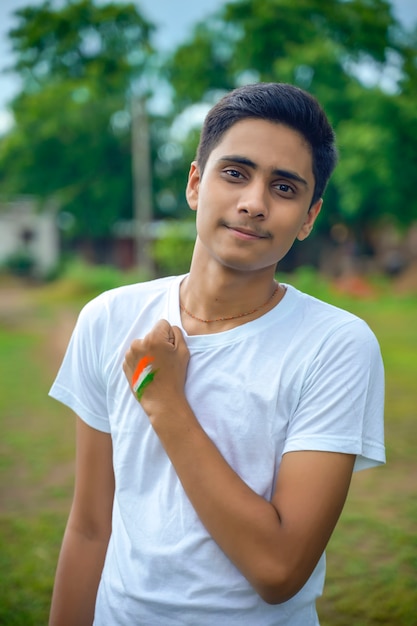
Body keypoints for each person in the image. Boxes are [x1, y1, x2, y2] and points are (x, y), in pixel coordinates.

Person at [48, 82, 385, 626]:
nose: (253, 202)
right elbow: (90, 526)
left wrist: (163, 401)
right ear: (195, 184)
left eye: (284, 187)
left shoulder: (336, 345)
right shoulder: (109, 319)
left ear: (308, 217)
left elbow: (278, 569)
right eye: (235, 174)